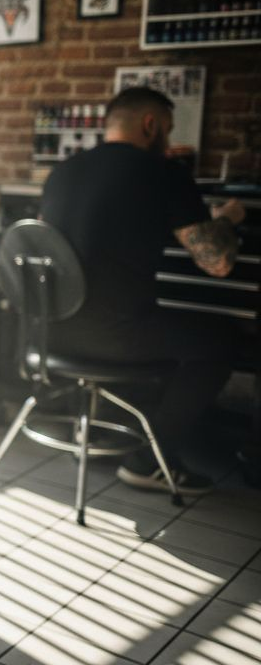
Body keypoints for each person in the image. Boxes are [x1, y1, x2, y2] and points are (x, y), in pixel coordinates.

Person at [41, 85, 245, 495]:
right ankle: (149, 460)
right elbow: (217, 262)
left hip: (53, 332)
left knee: (143, 320)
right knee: (225, 339)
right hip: (118, 337)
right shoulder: (163, 173)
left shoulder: (62, 173)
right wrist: (228, 220)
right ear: (150, 125)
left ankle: (108, 430)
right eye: (167, 130)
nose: (168, 141)